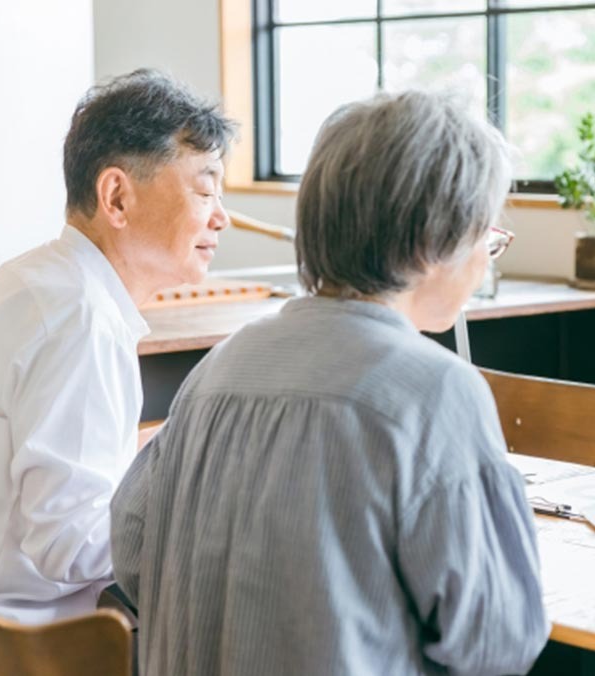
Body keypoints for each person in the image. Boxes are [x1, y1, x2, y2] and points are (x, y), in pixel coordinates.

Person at [110, 90, 550, 676]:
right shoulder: (434, 389)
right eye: (486, 236)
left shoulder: (220, 367)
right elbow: (498, 640)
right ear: (435, 239)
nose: (486, 260)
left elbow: (133, 551)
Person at [0, 69, 235, 624]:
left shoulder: (34, 281)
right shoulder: (81, 320)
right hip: (37, 642)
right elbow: (69, 543)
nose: (221, 217)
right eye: (204, 189)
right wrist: (204, 514)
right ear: (116, 196)